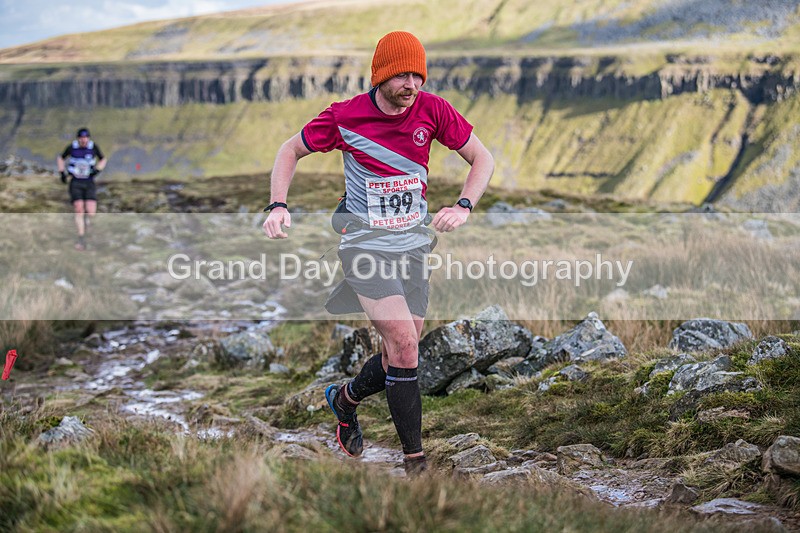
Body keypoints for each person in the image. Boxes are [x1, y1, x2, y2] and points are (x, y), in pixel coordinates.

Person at [263, 31, 494, 476]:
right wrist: (278, 206)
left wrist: (463, 205)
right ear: (382, 75)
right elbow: (289, 150)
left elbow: (482, 158)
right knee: (406, 346)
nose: (412, 84)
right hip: (364, 248)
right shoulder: (346, 116)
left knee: (398, 354)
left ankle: (345, 399)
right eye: (403, 75)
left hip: (414, 248)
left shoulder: (434, 109)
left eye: (418, 75)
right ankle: (416, 465)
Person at [57, 128, 107, 250]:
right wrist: (62, 172)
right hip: (75, 182)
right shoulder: (72, 147)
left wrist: (97, 170)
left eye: (86, 138)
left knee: (91, 212)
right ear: (78, 138)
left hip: (89, 182)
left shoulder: (93, 147)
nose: (83, 140)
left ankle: (89, 233)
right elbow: (61, 158)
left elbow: (103, 159)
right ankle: (81, 237)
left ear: (88, 138)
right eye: (81, 138)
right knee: (79, 209)